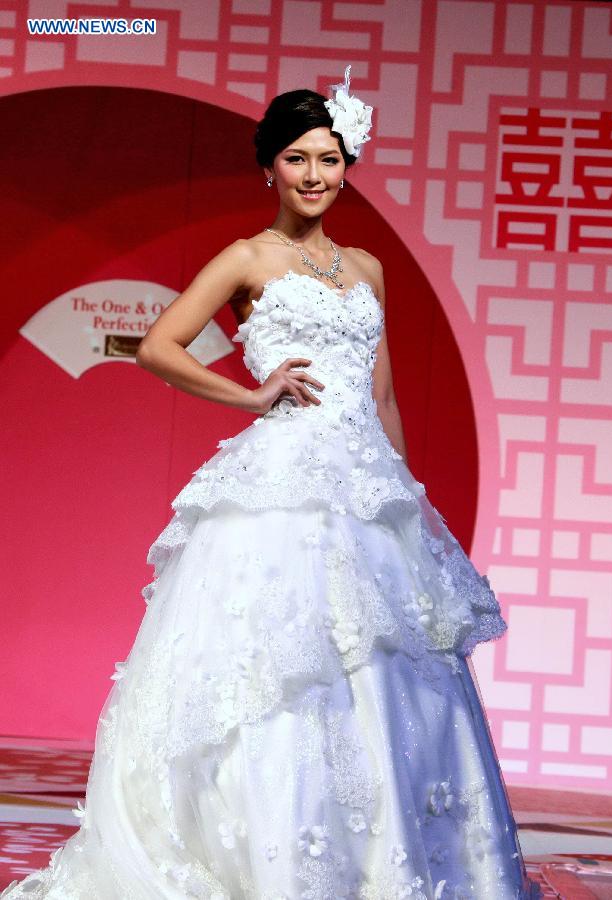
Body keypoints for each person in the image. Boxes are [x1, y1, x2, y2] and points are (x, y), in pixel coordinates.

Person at [1, 67, 540, 899]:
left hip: (368, 493)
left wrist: (407, 505)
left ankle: (386, 863)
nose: (316, 175)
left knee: (386, 675)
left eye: (330, 158)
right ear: (270, 168)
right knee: (279, 673)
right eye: (298, 159)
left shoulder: (368, 267)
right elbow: (158, 346)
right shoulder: (247, 256)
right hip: (281, 486)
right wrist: (252, 394)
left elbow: (383, 393)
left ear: (347, 164)